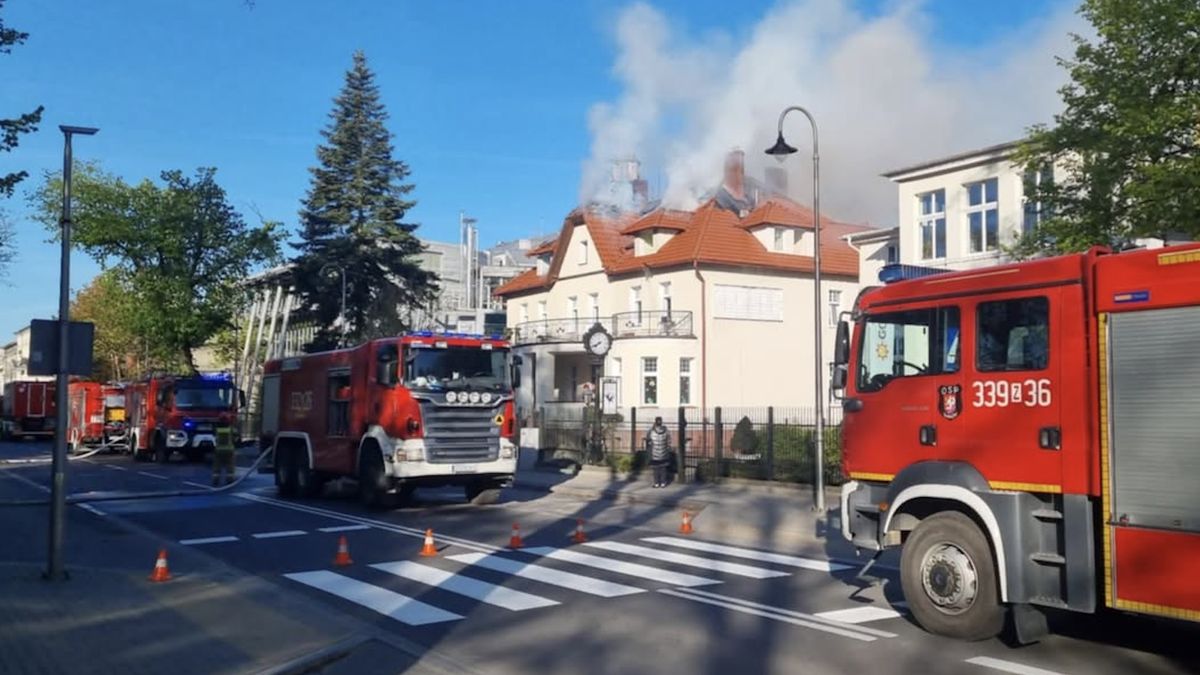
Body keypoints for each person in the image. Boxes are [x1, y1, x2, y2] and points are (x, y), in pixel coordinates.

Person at [645, 416, 671, 488]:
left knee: (656, 469)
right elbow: (669, 442)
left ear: (655, 422)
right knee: (663, 469)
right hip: (664, 453)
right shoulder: (666, 430)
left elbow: (648, 441)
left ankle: (656, 483)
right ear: (661, 422)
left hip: (654, 453)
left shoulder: (651, 431)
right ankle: (663, 483)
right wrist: (667, 449)